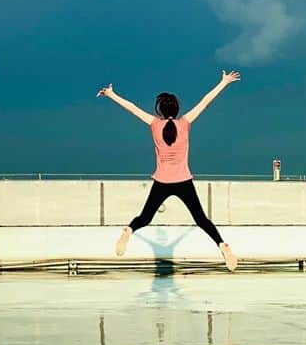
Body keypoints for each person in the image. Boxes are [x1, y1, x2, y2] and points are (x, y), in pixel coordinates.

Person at [97, 71, 240, 271]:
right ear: (177, 108)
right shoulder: (185, 123)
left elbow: (132, 109)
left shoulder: (154, 124)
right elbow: (205, 102)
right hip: (183, 181)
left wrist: (112, 95)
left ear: (160, 111)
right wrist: (224, 82)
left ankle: (129, 230)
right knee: (201, 220)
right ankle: (222, 245)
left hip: (162, 181)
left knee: (144, 218)